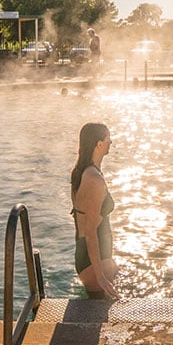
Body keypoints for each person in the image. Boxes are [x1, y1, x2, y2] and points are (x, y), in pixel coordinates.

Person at [70, 122, 120, 300]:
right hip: (94, 261)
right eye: (108, 138)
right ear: (99, 144)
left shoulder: (81, 172)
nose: (111, 142)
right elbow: (90, 231)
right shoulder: (93, 179)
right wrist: (100, 277)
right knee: (100, 321)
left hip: (92, 257)